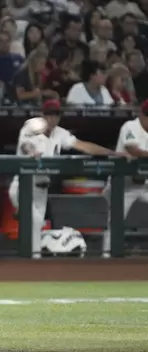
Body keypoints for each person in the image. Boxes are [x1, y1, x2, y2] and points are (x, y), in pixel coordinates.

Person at [8, 100, 119, 258]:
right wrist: (32, 152)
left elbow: (82, 145)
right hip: (23, 186)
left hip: (42, 190)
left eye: (56, 115)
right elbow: (26, 146)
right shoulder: (31, 126)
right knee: (34, 224)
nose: (52, 118)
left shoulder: (60, 133)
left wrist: (111, 153)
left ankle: (29, 263)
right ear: (43, 115)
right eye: (49, 114)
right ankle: (31, 262)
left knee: (35, 228)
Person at [102, 100, 148, 257]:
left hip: (143, 185)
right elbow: (132, 149)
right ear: (142, 114)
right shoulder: (130, 126)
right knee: (115, 221)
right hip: (123, 185)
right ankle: (107, 255)